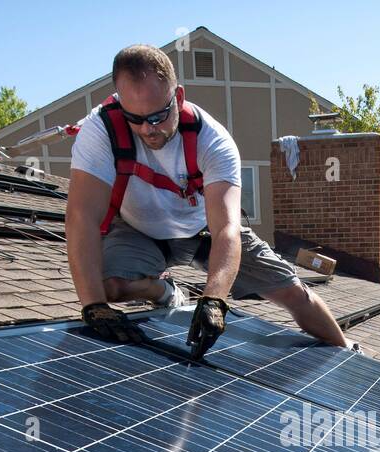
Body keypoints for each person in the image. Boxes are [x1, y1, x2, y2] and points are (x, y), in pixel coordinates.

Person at [65, 44, 347, 356]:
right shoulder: (100, 131)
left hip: (205, 231)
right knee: (104, 286)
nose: (149, 129)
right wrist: (93, 306)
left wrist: (214, 298)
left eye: (159, 115)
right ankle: (165, 291)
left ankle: (347, 349)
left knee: (292, 292)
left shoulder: (212, 140)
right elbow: (82, 217)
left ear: (179, 98)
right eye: (136, 118)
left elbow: (226, 228)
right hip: (139, 231)